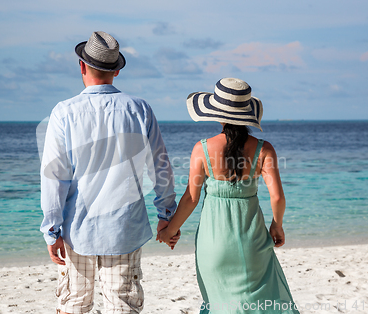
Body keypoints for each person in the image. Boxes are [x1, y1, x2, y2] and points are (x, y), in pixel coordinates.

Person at [40, 31, 179, 314]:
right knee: (122, 306)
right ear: (116, 70)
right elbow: (160, 167)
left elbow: (55, 177)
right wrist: (167, 216)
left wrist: (51, 230)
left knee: (73, 305)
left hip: (77, 230)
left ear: (81, 66)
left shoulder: (63, 112)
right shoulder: (139, 109)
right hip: (125, 229)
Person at [158, 78, 300, 313]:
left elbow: (190, 199)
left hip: (213, 245)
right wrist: (277, 226)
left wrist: (169, 231)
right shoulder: (264, 149)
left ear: (217, 113)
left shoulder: (202, 148)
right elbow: (277, 198)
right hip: (252, 243)